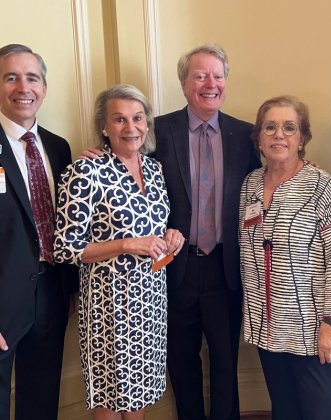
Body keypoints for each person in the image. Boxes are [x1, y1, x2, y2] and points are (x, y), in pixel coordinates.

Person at [54, 84, 185, 420]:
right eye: (120, 120)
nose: (131, 128)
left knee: (138, 395)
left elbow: (155, 226)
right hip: (108, 304)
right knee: (111, 399)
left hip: (151, 299)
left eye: (138, 118)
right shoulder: (86, 171)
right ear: (104, 126)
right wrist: (128, 244)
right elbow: (65, 247)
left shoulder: (154, 170)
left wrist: (170, 236)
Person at [153, 44, 261, 420]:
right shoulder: (157, 130)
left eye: (217, 75)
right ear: (184, 83)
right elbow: (125, 164)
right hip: (173, 267)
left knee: (225, 362)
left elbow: (269, 181)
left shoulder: (246, 135)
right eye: (200, 75)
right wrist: (97, 154)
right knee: (181, 361)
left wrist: (301, 164)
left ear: (226, 82)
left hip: (225, 268)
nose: (209, 84)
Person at [239, 95, 331, 420]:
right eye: (270, 127)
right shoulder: (249, 185)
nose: (279, 135)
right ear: (259, 138)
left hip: (311, 330)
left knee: (321, 411)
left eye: (289, 127)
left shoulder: (320, 186)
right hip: (266, 328)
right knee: (284, 410)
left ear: (303, 138)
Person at [0, 43, 78, 420]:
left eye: (32, 77)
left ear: (44, 88)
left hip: (52, 291)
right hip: (2, 299)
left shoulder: (59, 148)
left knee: (41, 398)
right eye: (10, 77)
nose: (22, 87)